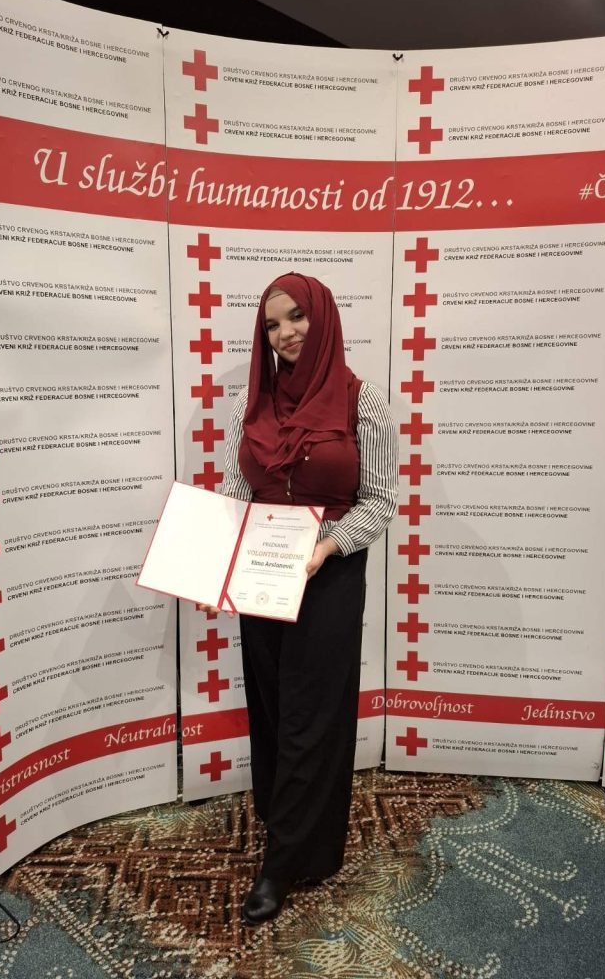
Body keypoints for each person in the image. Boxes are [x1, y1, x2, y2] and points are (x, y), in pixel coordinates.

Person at [199, 271, 398, 924]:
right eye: (272, 324)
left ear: (323, 319)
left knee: (314, 716)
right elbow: (237, 489)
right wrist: (212, 565)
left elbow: (379, 503)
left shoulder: (363, 403)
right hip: (263, 571)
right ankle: (284, 824)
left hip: (328, 571)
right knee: (274, 704)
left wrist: (328, 547)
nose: (285, 333)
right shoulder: (251, 402)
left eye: (297, 318)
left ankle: (283, 865)